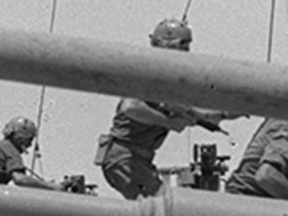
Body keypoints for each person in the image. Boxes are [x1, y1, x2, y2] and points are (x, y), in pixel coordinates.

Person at [96, 18, 230, 200]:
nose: (187, 52)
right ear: (170, 46)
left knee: (164, 212)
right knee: (166, 211)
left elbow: (194, 110)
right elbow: (131, 107)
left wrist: (224, 113)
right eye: (184, 46)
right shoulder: (147, 72)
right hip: (125, 159)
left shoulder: (164, 79)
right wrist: (168, 122)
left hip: (135, 159)